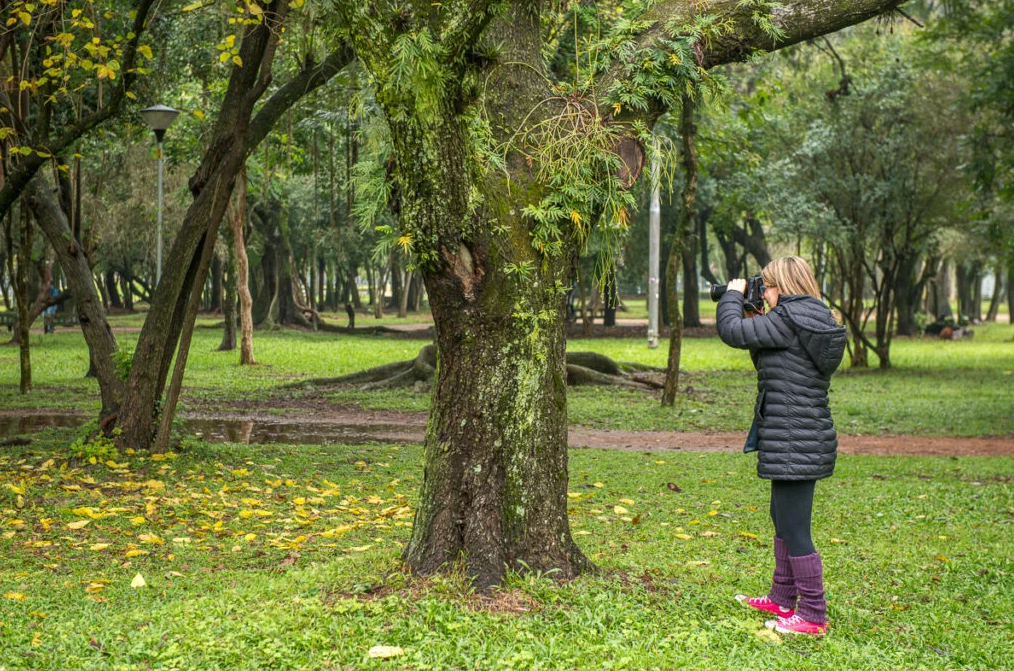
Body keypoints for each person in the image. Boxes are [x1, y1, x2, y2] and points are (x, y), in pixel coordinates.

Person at [715, 256, 846, 636]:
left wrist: (732, 296)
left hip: (795, 439)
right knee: (782, 517)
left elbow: (732, 332)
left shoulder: (788, 319)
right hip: (800, 436)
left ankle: (813, 615)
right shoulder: (807, 318)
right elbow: (767, 353)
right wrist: (754, 311)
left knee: (795, 527)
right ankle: (782, 597)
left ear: (783, 287)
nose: (765, 293)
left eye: (768, 286)